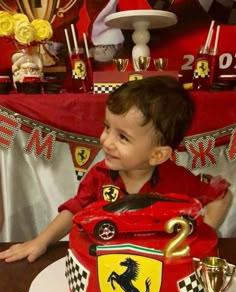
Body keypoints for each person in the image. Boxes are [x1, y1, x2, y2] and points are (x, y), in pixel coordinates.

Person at [0, 75, 232, 263]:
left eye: (122, 137)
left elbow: (221, 195)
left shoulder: (180, 180)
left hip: (159, 270)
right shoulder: (99, 175)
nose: (106, 141)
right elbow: (74, 209)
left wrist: (202, 234)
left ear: (158, 154)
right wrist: (41, 240)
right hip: (108, 263)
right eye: (107, 127)